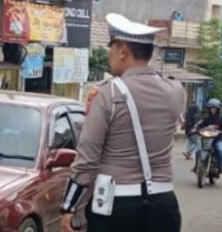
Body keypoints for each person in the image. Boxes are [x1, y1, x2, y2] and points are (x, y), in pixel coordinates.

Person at [60, 13, 186, 232]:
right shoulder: (176, 90)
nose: (110, 53)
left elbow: (87, 159)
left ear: (123, 51)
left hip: (117, 208)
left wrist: (69, 207)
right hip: (164, 205)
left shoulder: (108, 94)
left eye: (111, 47)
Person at [193, 98, 222, 175]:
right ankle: (196, 166)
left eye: (215, 108)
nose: (213, 109)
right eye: (211, 108)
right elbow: (199, 125)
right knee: (198, 151)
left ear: (218, 109)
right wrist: (195, 129)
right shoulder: (206, 118)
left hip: (217, 140)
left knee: (220, 150)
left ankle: (220, 167)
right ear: (209, 109)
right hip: (206, 139)